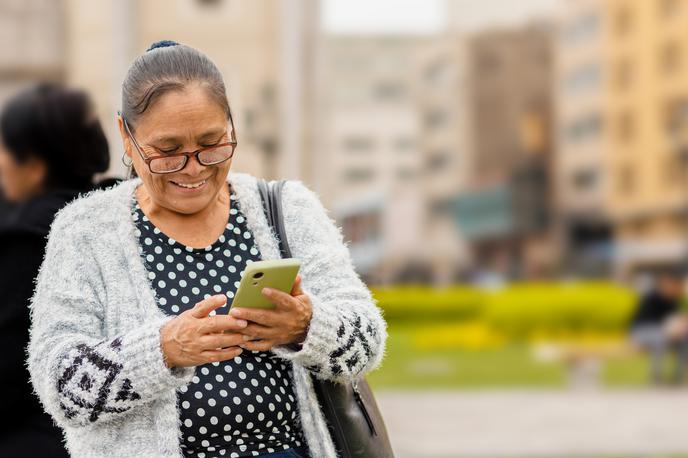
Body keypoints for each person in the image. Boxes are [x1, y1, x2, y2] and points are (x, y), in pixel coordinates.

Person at [27, 41, 387, 458]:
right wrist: (163, 350)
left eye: (211, 143)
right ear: (127, 138)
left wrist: (307, 326)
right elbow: (59, 385)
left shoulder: (287, 208)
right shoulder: (86, 229)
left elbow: (367, 342)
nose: (194, 167)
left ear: (232, 126)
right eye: (168, 151)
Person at [0, 83, 112, 457]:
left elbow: (8, 372)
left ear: (34, 166)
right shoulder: (113, 218)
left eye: (4, 149)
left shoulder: (29, 239)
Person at [629, 268, 688, 384]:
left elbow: (674, 322)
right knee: (660, 339)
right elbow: (648, 322)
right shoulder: (652, 297)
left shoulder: (673, 301)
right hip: (643, 332)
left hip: (666, 333)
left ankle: (677, 377)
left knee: (684, 341)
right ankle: (656, 377)